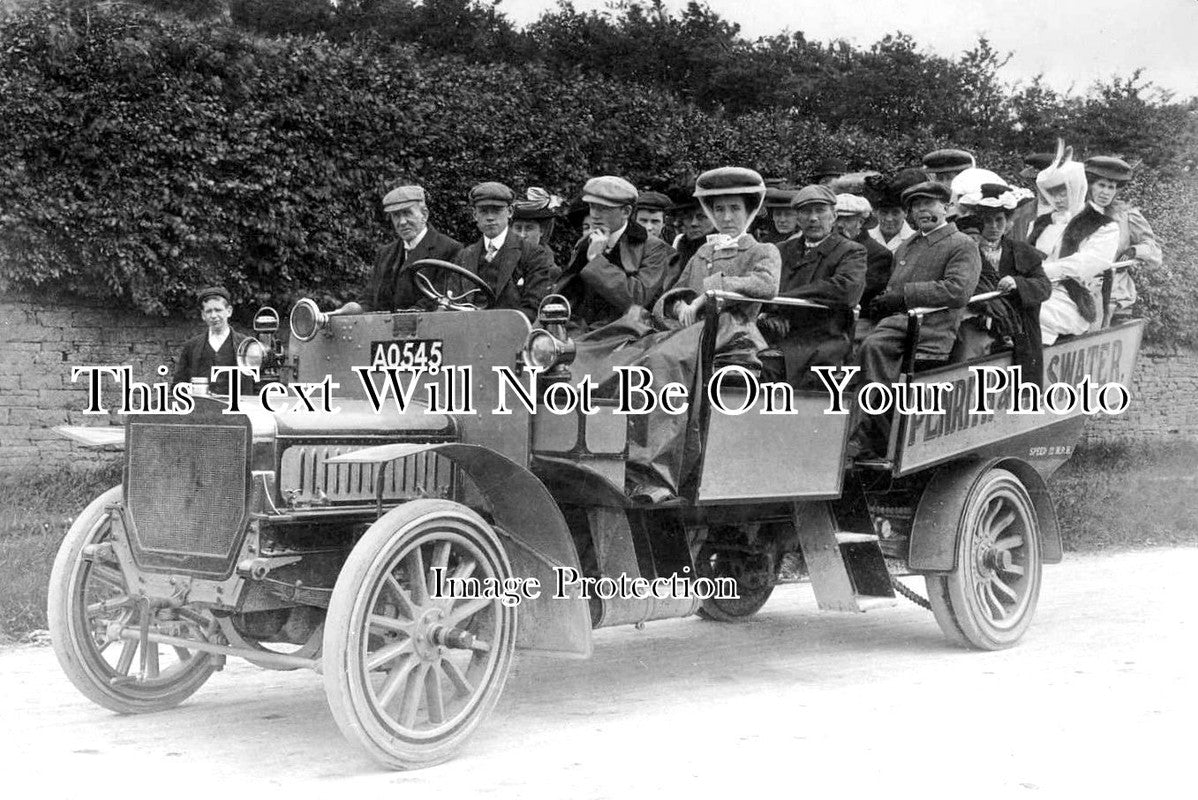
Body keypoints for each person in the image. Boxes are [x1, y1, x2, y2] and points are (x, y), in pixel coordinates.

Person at [851, 181, 982, 457]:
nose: (922, 211)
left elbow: (957, 291)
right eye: (916, 206)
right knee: (845, 339)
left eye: (929, 204)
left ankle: (868, 432)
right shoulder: (909, 244)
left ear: (946, 208)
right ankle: (852, 424)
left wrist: (903, 297)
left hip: (930, 326)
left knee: (872, 347)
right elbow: (893, 286)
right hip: (898, 322)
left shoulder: (961, 244)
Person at [758, 185, 866, 388]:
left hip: (824, 338)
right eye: (806, 212)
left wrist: (781, 302)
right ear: (798, 219)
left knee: (768, 368)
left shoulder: (850, 251)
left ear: (833, 216)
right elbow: (761, 284)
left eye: (820, 211)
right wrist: (766, 314)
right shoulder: (780, 251)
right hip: (777, 334)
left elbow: (846, 290)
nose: (813, 218)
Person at [955, 183, 1052, 381]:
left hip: (1015, 323)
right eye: (987, 221)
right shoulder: (964, 248)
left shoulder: (1021, 251)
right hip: (974, 321)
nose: (993, 227)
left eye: (999, 220)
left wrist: (1018, 283)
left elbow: (1044, 287)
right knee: (966, 352)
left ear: (1008, 222)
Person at [555, 175, 673, 331]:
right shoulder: (585, 242)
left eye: (603, 208)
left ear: (626, 211)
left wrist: (596, 259)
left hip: (627, 334)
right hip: (579, 330)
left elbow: (637, 298)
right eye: (592, 206)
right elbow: (567, 291)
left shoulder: (653, 247)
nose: (595, 214)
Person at [1028, 151, 1120, 345]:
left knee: (1034, 313)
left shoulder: (1102, 225)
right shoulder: (1042, 223)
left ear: (1078, 188)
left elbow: (1087, 263)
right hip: (1035, 289)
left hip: (1071, 297)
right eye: (1052, 193)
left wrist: (1043, 270)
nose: (1058, 199)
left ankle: (1032, 369)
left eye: (1063, 192)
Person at [452, 181, 557, 321]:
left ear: (510, 212)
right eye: (483, 211)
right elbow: (453, 303)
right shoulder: (463, 256)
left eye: (496, 210)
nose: (490, 217)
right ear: (474, 215)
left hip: (511, 335)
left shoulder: (532, 254)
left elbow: (533, 307)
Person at [1084, 156, 1162, 324]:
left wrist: (1134, 251)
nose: (1105, 192)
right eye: (1101, 185)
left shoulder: (1126, 215)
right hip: (1079, 290)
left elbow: (1154, 252)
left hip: (1114, 293)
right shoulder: (1076, 212)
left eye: (1111, 187)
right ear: (1090, 186)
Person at [365, 184, 462, 311]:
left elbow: (439, 299)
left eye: (407, 213)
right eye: (396, 215)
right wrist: (353, 309)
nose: (402, 222)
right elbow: (369, 298)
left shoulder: (449, 249)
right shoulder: (385, 254)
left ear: (425, 215)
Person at [171, 287, 250, 395]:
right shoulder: (191, 346)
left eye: (218, 310)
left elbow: (256, 385)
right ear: (203, 315)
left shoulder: (246, 345)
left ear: (229, 311)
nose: (213, 316)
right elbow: (178, 385)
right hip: (202, 409)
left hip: (236, 408)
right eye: (209, 311)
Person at [865, 168, 924, 252]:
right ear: (875, 213)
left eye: (895, 213)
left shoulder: (917, 240)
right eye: (884, 212)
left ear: (906, 212)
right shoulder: (866, 238)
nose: (889, 219)